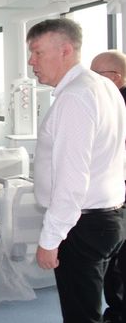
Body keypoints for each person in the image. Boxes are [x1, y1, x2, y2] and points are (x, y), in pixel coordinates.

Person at [28, 18, 126, 323]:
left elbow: (71, 180)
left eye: (37, 52)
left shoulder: (74, 97)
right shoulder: (104, 87)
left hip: (82, 225)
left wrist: (50, 240)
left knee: (81, 316)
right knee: (111, 306)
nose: (31, 62)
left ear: (65, 50)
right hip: (109, 217)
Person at [90, 50, 126, 323]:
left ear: (116, 77)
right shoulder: (111, 104)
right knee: (116, 262)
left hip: (119, 195)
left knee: (119, 263)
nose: (91, 80)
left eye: (96, 74)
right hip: (115, 195)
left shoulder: (118, 106)